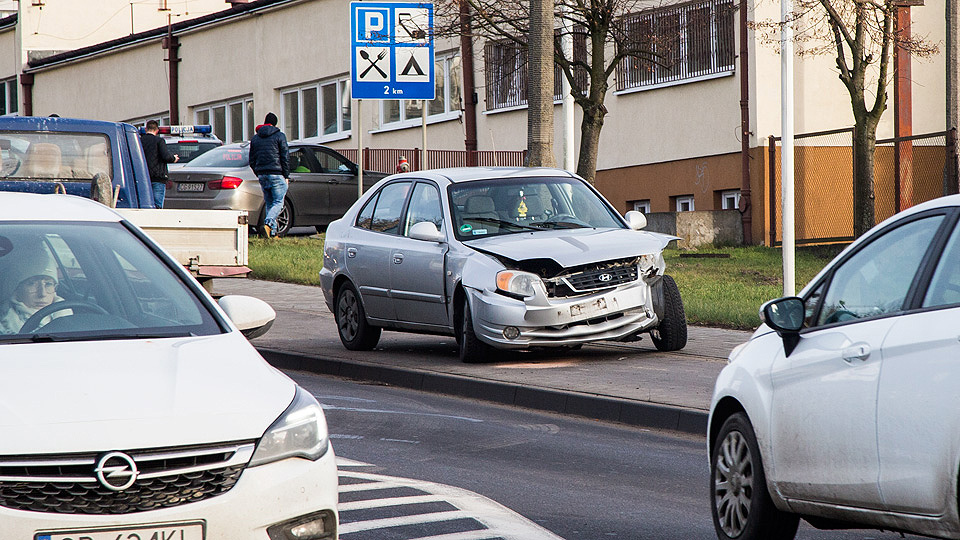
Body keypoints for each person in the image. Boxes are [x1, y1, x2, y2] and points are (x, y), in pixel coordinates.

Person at [0, 243, 65, 334]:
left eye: (48, 284)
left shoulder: (67, 316)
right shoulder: (4, 323)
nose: (42, 294)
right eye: (31, 284)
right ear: (16, 289)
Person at [249, 112, 289, 238]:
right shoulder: (279, 136)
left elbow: (251, 160)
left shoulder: (255, 138)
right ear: (275, 123)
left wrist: (258, 172)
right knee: (278, 203)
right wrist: (286, 175)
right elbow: (285, 156)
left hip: (262, 175)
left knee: (270, 203)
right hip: (276, 174)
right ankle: (267, 224)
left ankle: (272, 234)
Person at [139, 120, 179, 208]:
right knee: (157, 205)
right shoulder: (159, 141)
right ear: (157, 130)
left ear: (146, 129)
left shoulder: (139, 141)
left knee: (143, 205)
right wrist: (174, 158)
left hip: (142, 178)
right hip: (158, 178)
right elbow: (166, 156)